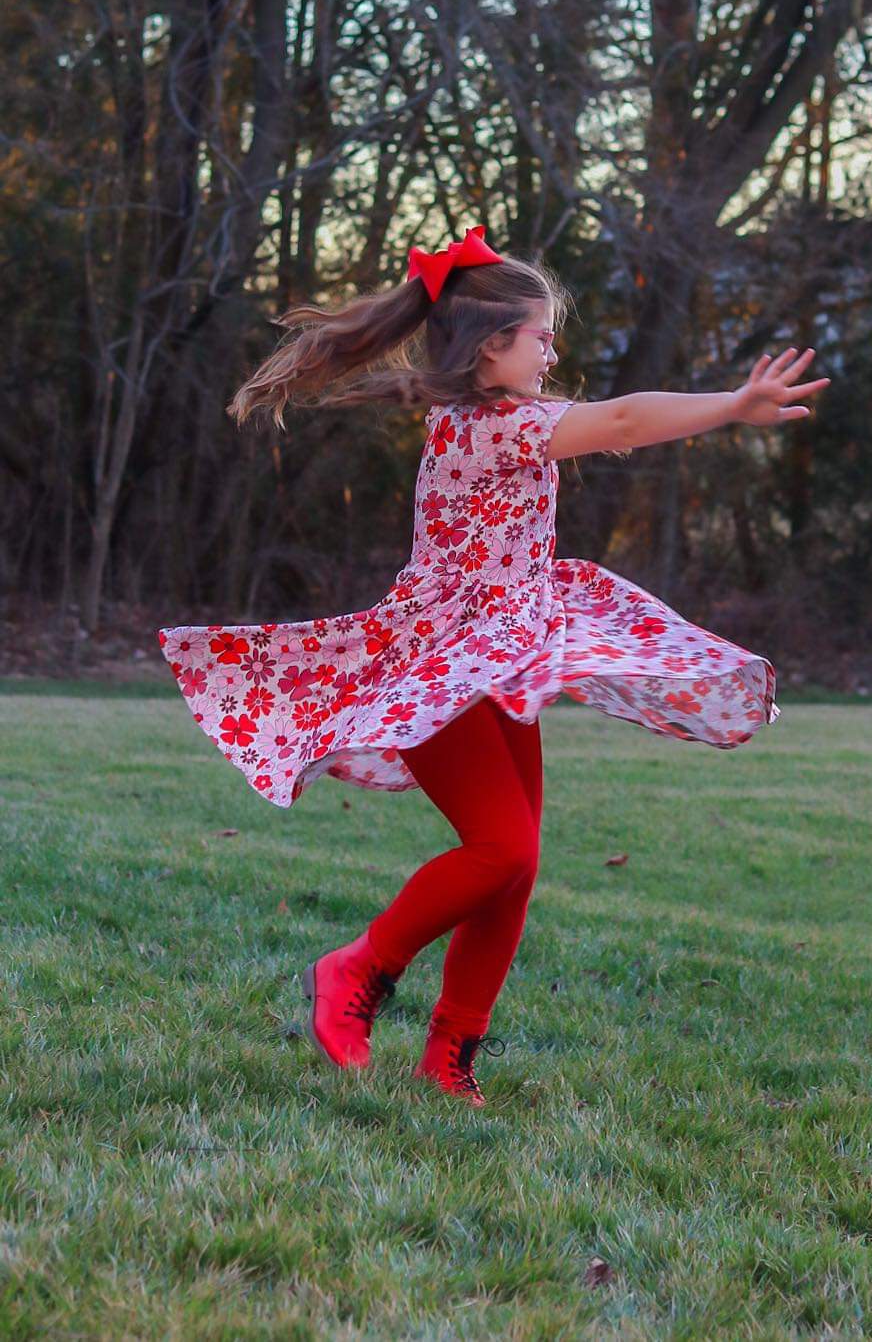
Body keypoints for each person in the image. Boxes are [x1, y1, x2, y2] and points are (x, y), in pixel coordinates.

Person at [156, 224, 829, 1106]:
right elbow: (623, 418)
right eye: (541, 335)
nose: (554, 349)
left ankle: (450, 1055)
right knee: (502, 846)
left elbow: (605, 427)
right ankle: (357, 969)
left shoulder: (495, 418)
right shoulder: (486, 429)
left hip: (494, 660)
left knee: (518, 861)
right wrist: (732, 405)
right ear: (488, 348)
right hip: (437, 665)